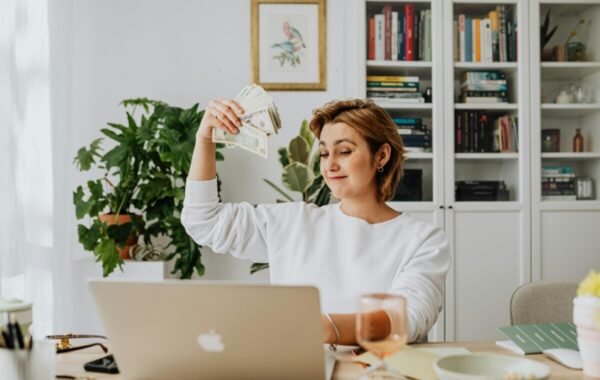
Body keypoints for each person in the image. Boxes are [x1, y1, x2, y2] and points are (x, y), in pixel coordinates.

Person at [182, 98, 450, 347]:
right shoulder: (292, 222)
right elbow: (204, 221)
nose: (330, 165)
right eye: (324, 154)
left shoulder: (423, 240)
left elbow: (409, 319)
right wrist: (205, 140)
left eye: (344, 151)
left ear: (381, 156)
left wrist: (322, 327)